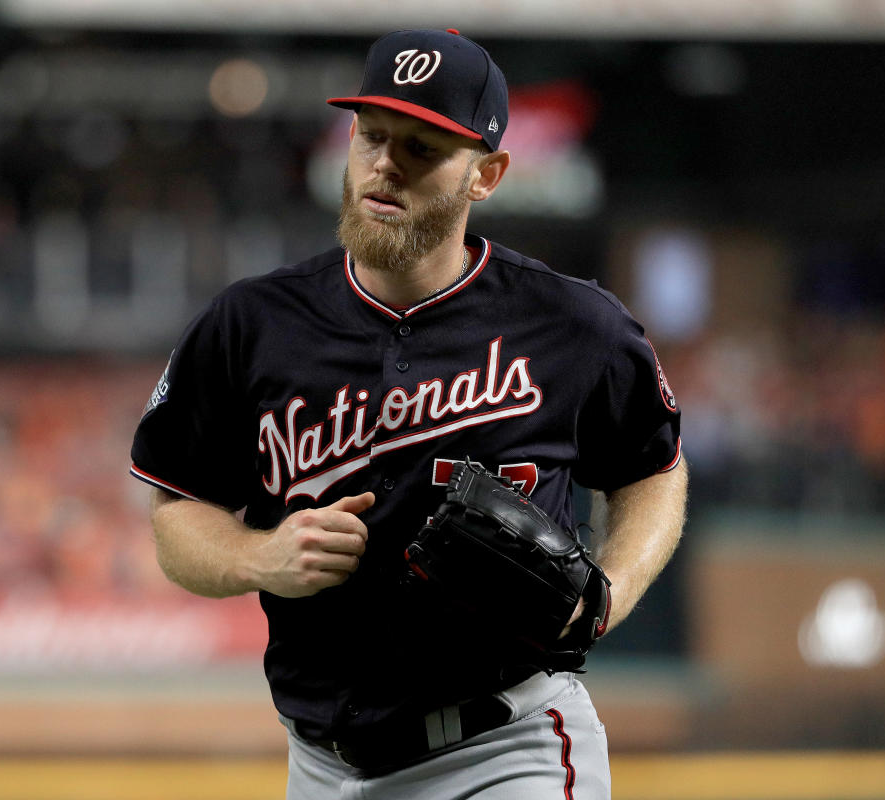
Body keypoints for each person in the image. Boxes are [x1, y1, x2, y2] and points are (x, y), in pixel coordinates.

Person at [130, 28, 688, 799]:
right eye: (373, 136)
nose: (385, 164)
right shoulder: (250, 324)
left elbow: (653, 471)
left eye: (423, 148)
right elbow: (176, 512)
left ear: (486, 175)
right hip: (319, 763)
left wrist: (610, 595)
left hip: (503, 749)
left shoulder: (574, 326)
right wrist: (262, 558)